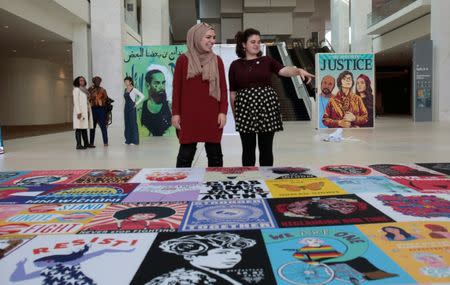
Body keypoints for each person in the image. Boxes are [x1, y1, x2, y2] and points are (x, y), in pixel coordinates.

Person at [229, 28, 314, 167]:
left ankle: (266, 179)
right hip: (244, 109)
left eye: (258, 41)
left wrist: (297, 70)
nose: (256, 44)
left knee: (266, 149)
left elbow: (283, 70)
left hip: (267, 107)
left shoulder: (267, 60)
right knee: (248, 149)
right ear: (244, 44)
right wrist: (235, 115)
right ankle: (250, 180)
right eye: (252, 42)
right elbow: (232, 93)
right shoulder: (235, 65)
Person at [171, 23, 228, 168]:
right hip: (189, 115)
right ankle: (182, 185)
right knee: (185, 155)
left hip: (212, 114)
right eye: (208, 37)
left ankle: (215, 186)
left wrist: (223, 111)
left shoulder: (217, 61)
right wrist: (175, 113)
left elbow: (223, 89)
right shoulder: (183, 60)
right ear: (196, 38)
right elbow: (177, 89)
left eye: (214, 37)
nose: (212, 41)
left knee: (215, 156)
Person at [147, 232, 256, 284]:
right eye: (224, 252)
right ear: (189, 255)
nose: (233, 256)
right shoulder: (182, 280)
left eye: (237, 252)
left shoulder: (221, 274)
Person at [141, 67, 172, 136]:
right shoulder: (141, 109)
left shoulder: (170, 107)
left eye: (163, 83)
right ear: (148, 85)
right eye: (157, 83)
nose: (161, 87)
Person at [72, 76, 93, 149]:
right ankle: (78, 145)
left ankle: (86, 144)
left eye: (83, 80)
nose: (82, 81)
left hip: (85, 111)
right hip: (80, 112)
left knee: (84, 128)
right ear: (77, 81)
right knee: (78, 128)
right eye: (80, 80)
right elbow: (76, 101)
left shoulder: (85, 90)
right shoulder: (76, 90)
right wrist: (78, 112)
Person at [123, 76, 145, 145]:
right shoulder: (125, 89)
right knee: (127, 123)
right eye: (125, 81)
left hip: (132, 108)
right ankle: (128, 140)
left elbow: (142, 96)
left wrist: (136, 103)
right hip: (126, 107)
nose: (126, 82)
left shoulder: (134, 89)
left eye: (127, 81)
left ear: (130, 82)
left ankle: (134, 141)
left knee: (133, 123)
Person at [88, 76, 109, 146]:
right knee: (92, 127)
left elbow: (106, 100)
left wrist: (102, 102)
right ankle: (91, 143)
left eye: (99, 81)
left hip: (101, 110)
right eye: (96, 81)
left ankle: (105, 142)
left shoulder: (103, 90)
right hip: (93, 109)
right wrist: (91, 99)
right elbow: (87, 99)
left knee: (103, 127)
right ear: (93, 81)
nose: (98, 82)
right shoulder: (90, 89)